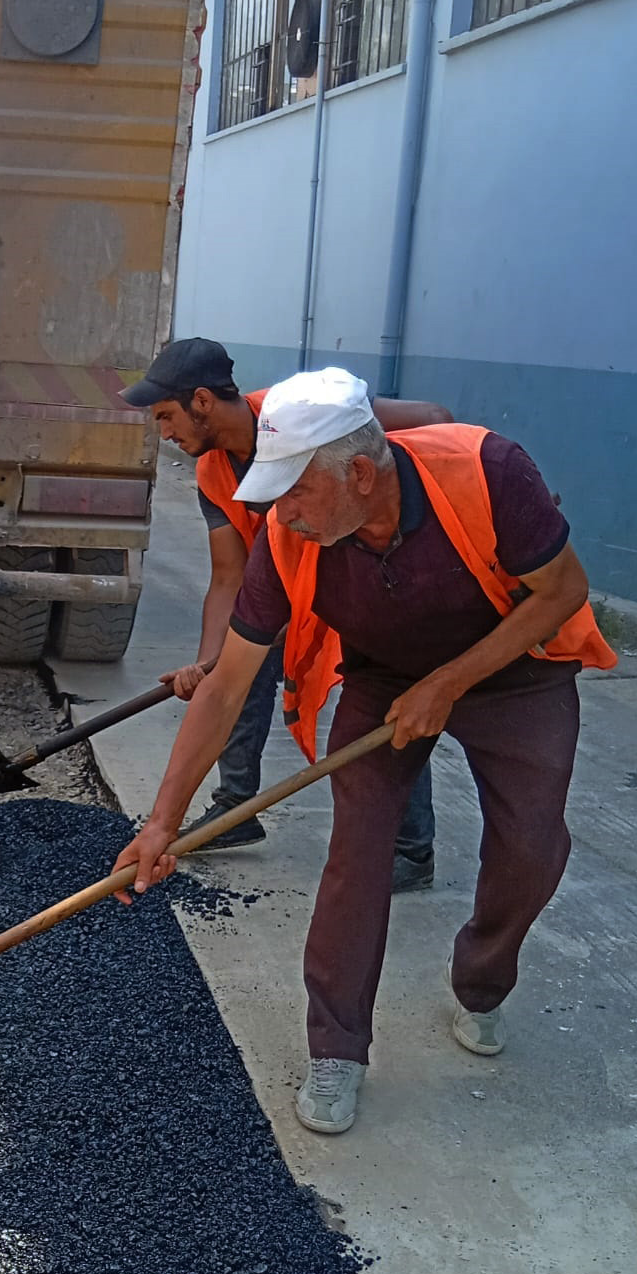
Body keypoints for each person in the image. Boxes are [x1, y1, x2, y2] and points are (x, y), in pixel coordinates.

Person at [113, 368, 613, 1133]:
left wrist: (448, 683)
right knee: (358, 849)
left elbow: (563, 590)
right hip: (382, 677)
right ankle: (337, 1046)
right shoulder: (290, 536)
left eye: (294, 492)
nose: (281, 513)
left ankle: (481, 977)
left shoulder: (488, 473)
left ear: (357, 473)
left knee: (532, 848)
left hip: (517, 673)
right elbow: (225, 686)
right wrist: (162, 822)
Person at [122, 338, 449, 894]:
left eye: (166, 416)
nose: (165, 433)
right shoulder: (214, 475)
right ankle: (235, 804)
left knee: (390, 701)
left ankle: (411, 849)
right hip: (286, 585)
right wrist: (208, 662)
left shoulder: (304, 412)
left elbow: (435, 420)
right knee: (235, 673)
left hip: (366, 574)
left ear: (202, 401)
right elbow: (228, 574)